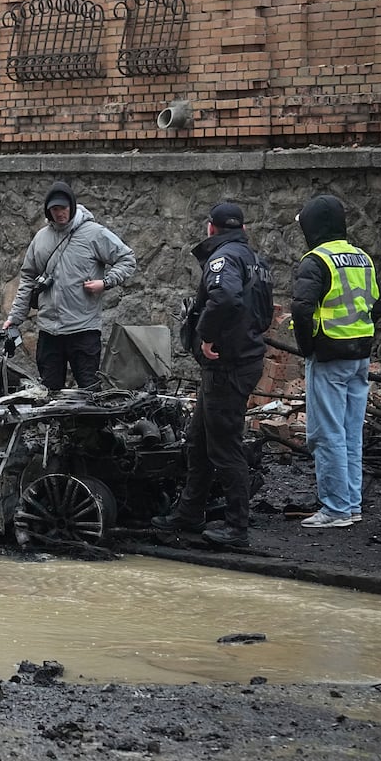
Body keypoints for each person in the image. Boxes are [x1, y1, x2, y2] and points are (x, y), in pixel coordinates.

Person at [153, 202, 274, 548]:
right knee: (199, 442)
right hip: (239, 361)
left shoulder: (224, 259)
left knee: (224, 447)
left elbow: (225, 299)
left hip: (227, 365)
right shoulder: (256, 260)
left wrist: (206, 335)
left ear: (211, 228)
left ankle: (236, 528)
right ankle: (189, 513)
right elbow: (263, 314)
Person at [289, 194, 381, 530]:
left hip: (328, 357)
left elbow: (301, 309)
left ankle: (335, 509)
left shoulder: (315, 261)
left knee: (326, 434)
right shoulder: (362, 258)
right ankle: (351, 504)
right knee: (350, 433)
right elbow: (378, 305)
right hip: (360, 356)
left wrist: (307, 348)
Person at [0, 181, 137, 389]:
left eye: (63, 208)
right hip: (49, 332)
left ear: (71, 206)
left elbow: (128, 259)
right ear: (48, 210)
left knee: (89, 392)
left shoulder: (94, 233)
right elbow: (27, 279)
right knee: (49, 393)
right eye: (55, 209)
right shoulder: (41, 239)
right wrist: (14, 319)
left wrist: (105, 282)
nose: (60, 213)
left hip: (83, 329)